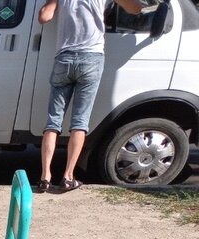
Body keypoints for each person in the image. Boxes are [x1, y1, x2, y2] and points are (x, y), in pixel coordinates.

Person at [37, 0, 142, 193]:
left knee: (53, 121)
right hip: (91, 59)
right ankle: (68, 177)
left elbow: (44, 16)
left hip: (64, 58)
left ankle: (45, 177)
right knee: (80, 122)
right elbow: (135, 9)